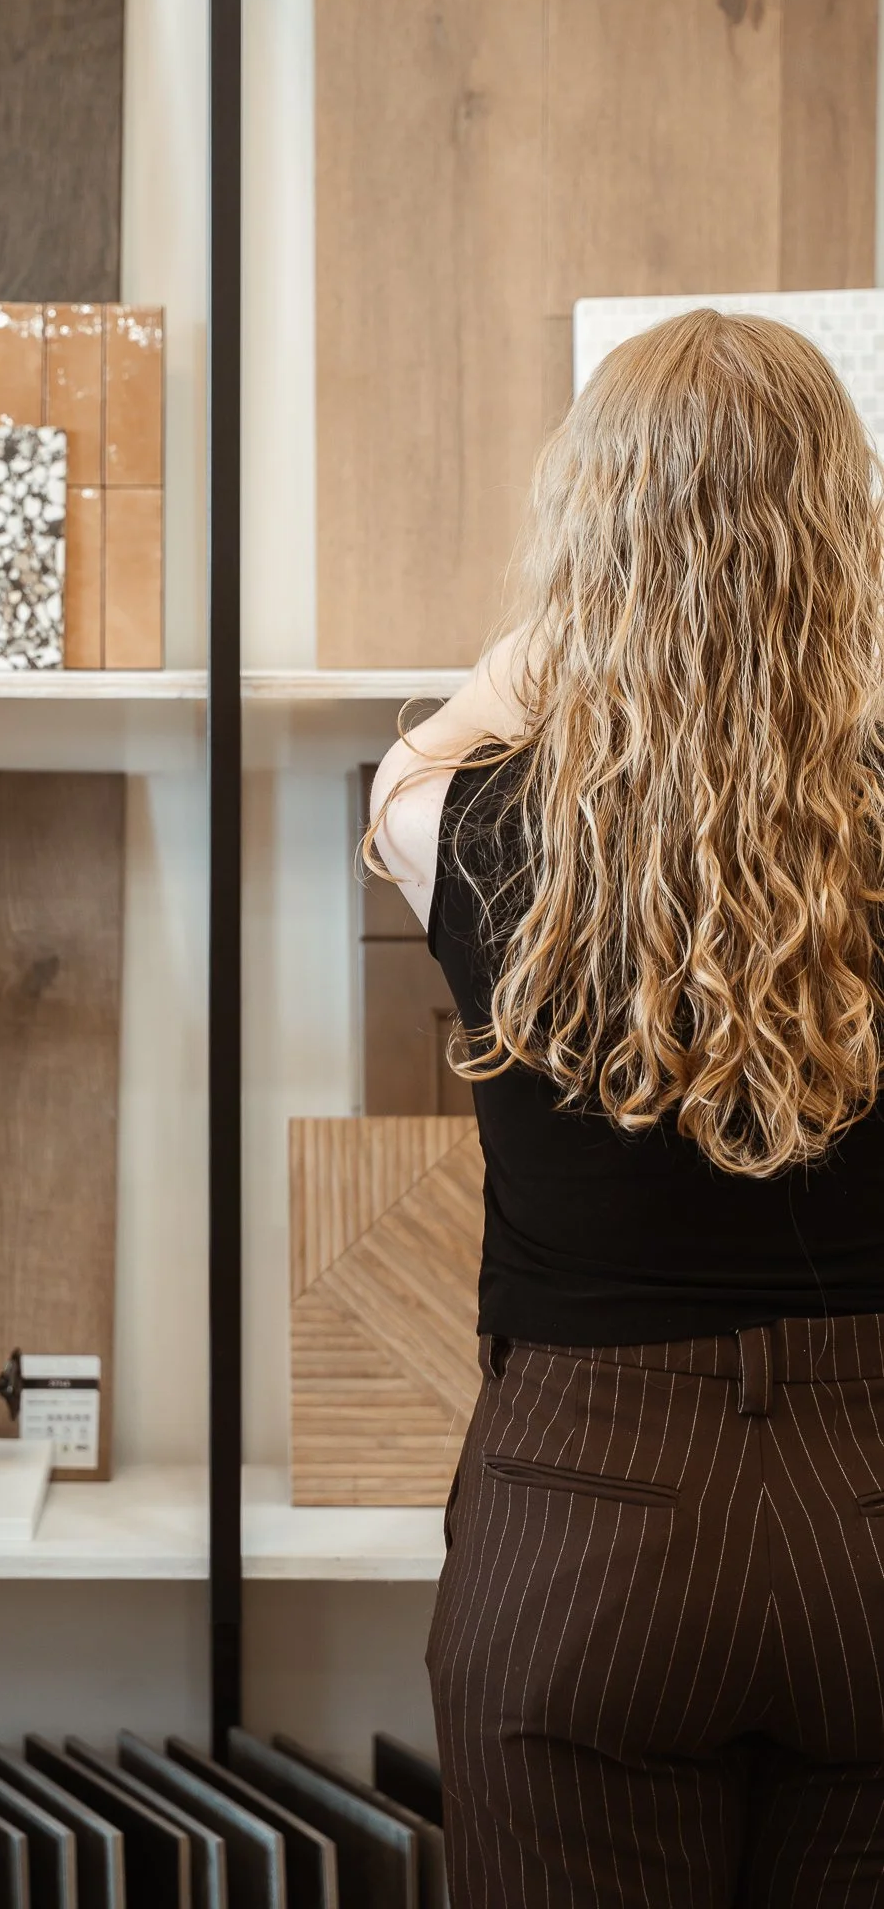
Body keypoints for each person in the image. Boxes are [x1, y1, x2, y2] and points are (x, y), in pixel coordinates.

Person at [372, 309, 884, 1906]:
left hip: (585, 1527)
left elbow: (399, 774)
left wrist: (571, 639)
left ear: (592, 529)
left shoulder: (463, 823)